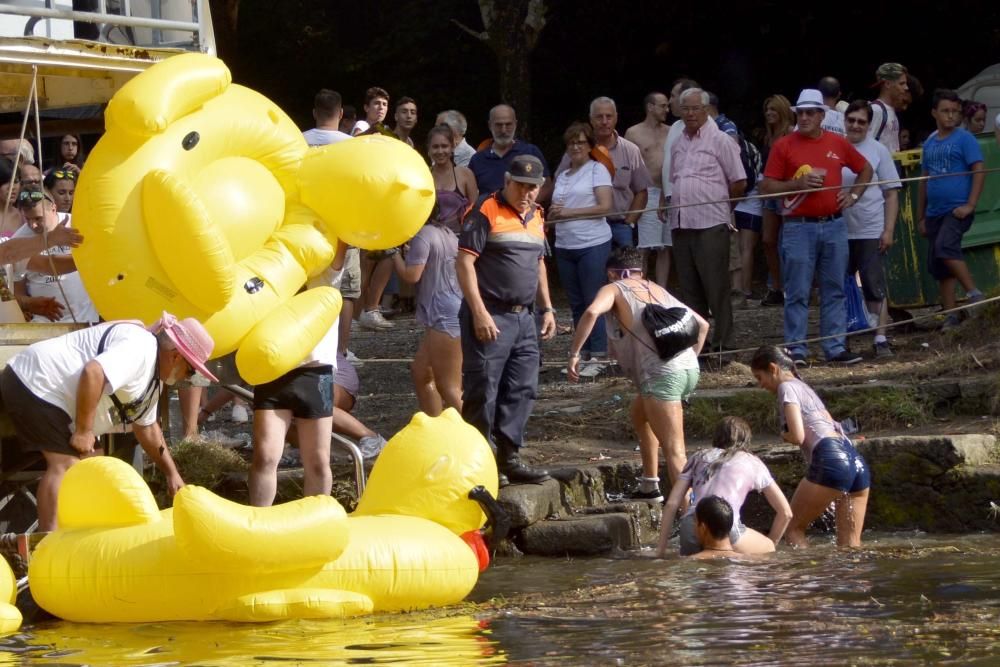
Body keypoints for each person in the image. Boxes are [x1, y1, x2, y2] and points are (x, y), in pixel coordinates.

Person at [0, 312, 215, 531]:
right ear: (176, 356)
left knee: (96, 462)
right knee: (68, 467)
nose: (188, 378)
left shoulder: (154, 377)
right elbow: (93, 372)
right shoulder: (140, 348)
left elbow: (147, 427)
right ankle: (47, 544)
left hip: (54, 396)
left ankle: (82, 533)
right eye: (191, 371)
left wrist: (172, 473)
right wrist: (84, 431)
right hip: (35, 381)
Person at [567, 247, 708, 497]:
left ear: (611, 273)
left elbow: (591, 312)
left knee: (675, 451)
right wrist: (685, 363)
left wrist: (575, 354)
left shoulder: (613, 288)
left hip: (662, 375)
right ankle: (649, 485)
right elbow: (703, 325)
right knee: (639, 416)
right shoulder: (656, 288)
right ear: (640, 272)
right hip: (688, 368)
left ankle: (692, 519)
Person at [457, 154, 556, 485]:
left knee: (522, 387)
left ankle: (509, 457)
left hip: (524, 317)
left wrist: (548, 308)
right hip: (491, 312)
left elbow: (539, 263)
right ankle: (480, 462)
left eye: (533, 188)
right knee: (483, 387)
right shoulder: (485, 209)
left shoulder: (538, 215)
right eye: (521, 186)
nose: (527, 193)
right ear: (507, 181)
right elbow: (465, 263)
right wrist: (479, 311)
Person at [759, 89, 873, 366]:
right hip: (798, 225)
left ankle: (834, 347)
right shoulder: (783, 145)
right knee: (797, 290)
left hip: (834, 224)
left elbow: (866, 168)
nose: (805, 117)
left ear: (822, 115)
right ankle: (797, 350)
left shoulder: (838, 142)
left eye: (811, 112)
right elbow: (765, 187)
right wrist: (796, 184)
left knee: (834, 288)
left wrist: (854, 195)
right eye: (801, 112)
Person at [750, 345, 870, 547]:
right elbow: (834, 425)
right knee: (850, 547)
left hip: (831, 458)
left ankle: (809, 578)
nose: (760, 385)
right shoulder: (805, 387)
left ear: (773, 368)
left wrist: (784, 434)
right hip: (856, 461)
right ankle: (851, 578)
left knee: (792, 530)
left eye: (759, 377)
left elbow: (798, 436)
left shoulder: (786, 388)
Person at [390, 126, 469, 416]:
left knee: (450, 388)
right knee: (421, 373)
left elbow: (411, 277)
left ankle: (483, 440)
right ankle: (436, 427)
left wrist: (392, 255)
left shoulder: (424, 234)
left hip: (444, 315)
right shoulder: (447, 232)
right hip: (450, 309)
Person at [668, 88, 746, 353]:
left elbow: (739, 182)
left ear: (705, 109)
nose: (689, 114)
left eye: (694, 109)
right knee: (689, 290)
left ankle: (725, 344)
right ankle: (697, 345)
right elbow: (674, 179)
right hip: (681, 223)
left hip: (710, 222)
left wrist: (722, 208)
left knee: (716, 287)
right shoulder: (678, 141)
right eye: (685, 109)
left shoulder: (721, 140)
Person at [657, 416, 792, 556]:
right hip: (727, 527)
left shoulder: (698, 457)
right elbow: (786, 513)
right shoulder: (753, 462)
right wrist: (772, 543)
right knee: (768, 547)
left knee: (693, 572)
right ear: (746, 439)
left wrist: (660, 551)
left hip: (692, 524)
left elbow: (671, 504)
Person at [917, 89, 986, 330]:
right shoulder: (929, 142)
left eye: (955, 112)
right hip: (934, 212)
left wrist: (970, 204)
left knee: (945, 247)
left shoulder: (964, 138)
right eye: (945, 111)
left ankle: (975, 294)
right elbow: (923, 181)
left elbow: (978, 170)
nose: (951, 116)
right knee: (940, 265)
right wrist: (921, 216)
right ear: (934, 112)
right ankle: (951, 315)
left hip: (956, 210)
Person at [549, 121, 613, 375]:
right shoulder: (563, 175)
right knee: (575, 303)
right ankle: (582, 354)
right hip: (565, 244)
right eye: (571, 143)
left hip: (592, 242)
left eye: (580, 142)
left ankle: (599, 355)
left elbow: (605, 206)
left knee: (592, 300)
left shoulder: (597, 170)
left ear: (590, 146)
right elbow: (558, 210)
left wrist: (568, 213)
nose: (575, 147)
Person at [841, 100, 902, 357]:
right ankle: (840, 339)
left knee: (873, 285)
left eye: (861, 121)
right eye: (851, 119)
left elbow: (891, 194)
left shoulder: (878, 150)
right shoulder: (834, 147)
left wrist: (888, 230)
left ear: (869, 124)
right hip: (838, 228)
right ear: (844, 121)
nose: (856, 125)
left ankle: (880, 338)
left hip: (870, 227)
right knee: (838, 287)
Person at [12, 187, 98, 324]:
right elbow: (18, 289)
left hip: (86, 319)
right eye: (27, 219)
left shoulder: (80, 224)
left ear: (53, 208)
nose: (32, 225)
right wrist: (26, 305)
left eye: (38, 218)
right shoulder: (18, 241)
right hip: (44, 322)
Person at [625, 92, 672, 286]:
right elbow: (627, 168)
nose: (667, 110)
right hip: (647, 192)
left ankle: (662, 290)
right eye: (663, 105)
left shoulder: (672, 131)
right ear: (650, 107)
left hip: (668, 191)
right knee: (644, 246)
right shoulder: (633, 133)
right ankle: (641, 289)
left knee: (665, 247)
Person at [757, 94, 795, 307]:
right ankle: (777, 287)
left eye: (773, 109)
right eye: (767, 109)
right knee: (768, 240)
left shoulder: (791, 134)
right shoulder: (768, 137)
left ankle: (794, 287)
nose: (770, 113)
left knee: (788, 242)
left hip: (787, 190)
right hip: (768, 191)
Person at [468, 104, 551, 196]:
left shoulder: (530, 152)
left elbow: (546, 188)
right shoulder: (477, 160)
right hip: (488, 209)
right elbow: (471, 196)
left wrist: (525, 205)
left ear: (515, 124)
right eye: (499, 125)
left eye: (508, 124)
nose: (503, 130)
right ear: (490, 125)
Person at [426, 124, 478, 233]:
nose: (440, 151)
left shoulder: (465, 175)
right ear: (429, 149)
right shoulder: (423, 176)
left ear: (453, 147)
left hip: (459, 240)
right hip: (429, 238)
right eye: (435, 147)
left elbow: (476, 214)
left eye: (444, 146)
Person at [869, 63, 909, 153]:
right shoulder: (876, 110)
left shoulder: (891, 110)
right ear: (887, 84)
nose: (906, 87)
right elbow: (866, 147)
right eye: (901, 83)